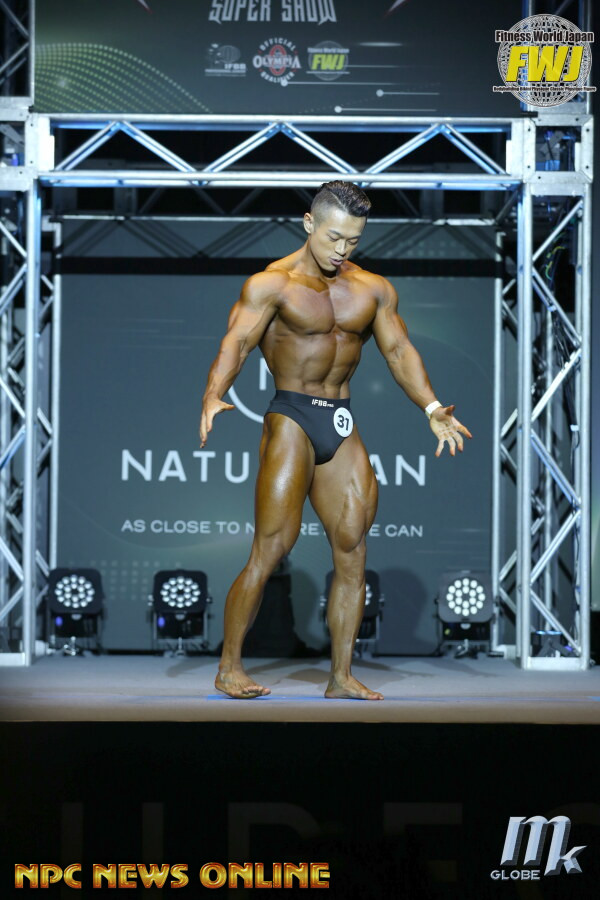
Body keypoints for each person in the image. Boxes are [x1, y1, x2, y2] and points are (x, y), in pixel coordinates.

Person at [199, 181, 472, 700]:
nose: (342, 249)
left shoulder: (373, 289)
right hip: (292, 415)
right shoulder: (272, 284)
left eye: (353, 240)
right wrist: (214, 393)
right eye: (333, 238)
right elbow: (237, 341)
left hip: (341, 419)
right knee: (271, 548)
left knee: (352, 549)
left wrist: (432, 408)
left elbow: (398, 352)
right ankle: (229, 667)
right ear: (309, 224)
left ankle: (340, 677)